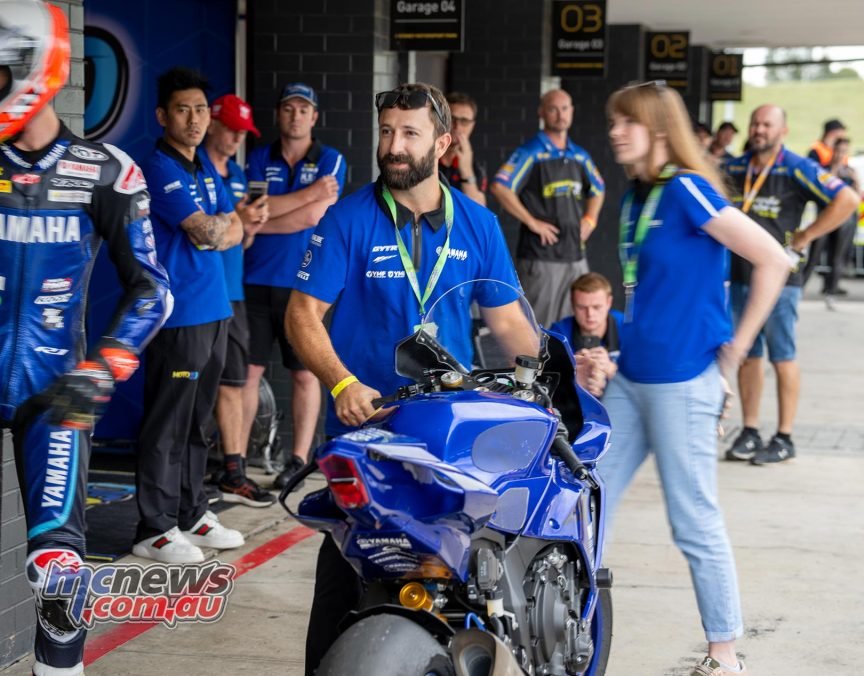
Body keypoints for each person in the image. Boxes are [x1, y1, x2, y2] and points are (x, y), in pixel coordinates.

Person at [0, 1, 172, 673]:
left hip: (59, 395)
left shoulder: (108, 171)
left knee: (59, 585)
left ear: (33, 73)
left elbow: (152, 289)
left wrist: (103, 369)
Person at [285, 82, 540, 674]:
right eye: (386, 132)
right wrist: (343, 383)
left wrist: (558, 369)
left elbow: (509, 323)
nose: (393, 147)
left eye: (409, 133)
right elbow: (302, 316)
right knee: (347, 581)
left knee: (463, 577)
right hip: (367, 431)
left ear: (444, 143)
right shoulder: (346, 219)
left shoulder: (477, 225)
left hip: (449, 432)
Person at [602, 81, 790, 676]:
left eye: (624, 122)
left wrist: (733, 352)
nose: (613, 131)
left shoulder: (686, 191)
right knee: (587, 500)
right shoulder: (634, 198)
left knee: (693, 521)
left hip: (683, 384)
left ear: (657, 130)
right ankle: (572, 621)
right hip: (632, 380)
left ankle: (724, 654)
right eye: (612, 122)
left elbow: (773, 259)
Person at [132, 68, 248, 564]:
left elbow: (236, 227)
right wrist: (220, 226)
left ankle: (191, 512)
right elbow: (207, 233)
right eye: (184, 109)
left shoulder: (203, 167)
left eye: (202, 109)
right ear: (163, 116)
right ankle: (154, 528)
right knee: (169, 422)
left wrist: (222, 226)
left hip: (215, 309)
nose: (196, 119)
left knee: (199, 423)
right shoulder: (159, 168)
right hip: (178, 316)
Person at [722, 105, 859, 465]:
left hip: (782, 280)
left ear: (782, 130)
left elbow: (847, 199)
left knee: (783, 355)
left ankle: (784, 436)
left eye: (767, 124)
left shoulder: (796, 167)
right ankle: (750, 431)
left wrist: (805, 237)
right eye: (755, 123)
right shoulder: (735, 166)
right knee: (747, 352)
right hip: (740, 276)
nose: (759, 129)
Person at [242, 83, 347, 490]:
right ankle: (240, 460)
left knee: (304, 374)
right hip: (254, 280)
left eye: (304, 109)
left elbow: (315, 217)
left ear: (314, 117)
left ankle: (299, 460)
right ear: (279, 114)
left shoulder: (332, 159)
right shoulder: (257, 157)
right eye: (289, 108)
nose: (296, 116)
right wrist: (307, 196)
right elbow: (253, 214)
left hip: (304, 286)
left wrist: (267, 219)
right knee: (248, 374)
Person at [199, 93, 275, 507]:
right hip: (199, 295)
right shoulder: (196, 169)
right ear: (211, 123)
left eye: (242, 132)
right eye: (230, 128)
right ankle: (192, 472)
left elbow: (240, 241)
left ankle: (233, 470)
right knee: (196, 387)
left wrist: (252, 226)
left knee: (233, 381)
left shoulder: (240, 175)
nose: (235, 138)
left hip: (234, 291)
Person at [490, 89, 605, 327]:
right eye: (553, 108)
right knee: (537, 327)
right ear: (541, 113)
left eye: (565, 108)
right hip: (541, 257)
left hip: (575, 255)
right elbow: (500, 187)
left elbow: (598, 189)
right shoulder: (530, 152)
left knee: (576, 325)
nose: (560, 114)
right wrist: (532, 222)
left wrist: (590, 219)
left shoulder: (579, 155)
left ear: (572, 111)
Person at [549, 272, 624, 396]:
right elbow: (547, 378)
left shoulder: (627, 328)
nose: (590, 314)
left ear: (609, 303)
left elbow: (644, 376)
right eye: (582, 307)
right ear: (572, 305)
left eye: (596, 307)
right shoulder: (558, 333)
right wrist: (572, 372)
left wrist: (611, 369)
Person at [802, 137, 859, 298]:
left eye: (844, 152)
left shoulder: (849, 172)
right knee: (815, 252)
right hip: (825, 217)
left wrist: (855, 181)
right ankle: (802, 284)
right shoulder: (824, 170)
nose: (841, 155)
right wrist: (833, 171)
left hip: (845, 220)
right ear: (833, 151)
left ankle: (831, 288)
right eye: (838, 151)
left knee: (838, 255)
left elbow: (856, 196)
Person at [438, 91, 487, 206]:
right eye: (451, 119)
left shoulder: (475, 166)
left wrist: (466, 170)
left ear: (472, 126)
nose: (457, 127)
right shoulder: (425, 154)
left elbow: (478, 212)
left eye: (464, 121)